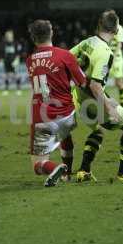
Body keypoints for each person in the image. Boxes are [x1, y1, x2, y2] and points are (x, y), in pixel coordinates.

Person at [70, 10, 123, 182]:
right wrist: (108, 108)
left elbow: (66, 59)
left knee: (99, 130)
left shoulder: (87, 42)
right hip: (93, 100)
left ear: (98, 25)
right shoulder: (105, 52)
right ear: (117, 30)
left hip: (78, 97)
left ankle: (84, 171)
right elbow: (95, 86)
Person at [26, 20, 87, 187]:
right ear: (51, 33)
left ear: (33, 38)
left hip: (43, 120)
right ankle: (67, 174)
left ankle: (54, 167)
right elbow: (83, 82)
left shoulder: (29, 60)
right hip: (67, 115)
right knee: (64, 134)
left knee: (37, 165)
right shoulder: (66, 55)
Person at [108, 12, 123, 106]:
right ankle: (105, 105)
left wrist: (113, 57)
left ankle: (122, 105)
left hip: (116, 59)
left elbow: (119, 44)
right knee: (100, 84)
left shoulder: (119, 28)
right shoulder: (104, 27)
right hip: (106, 58)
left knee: (119, 83)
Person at [0, 29, 22, 96]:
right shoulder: (3, 44)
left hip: (14, 62)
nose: (9, 37)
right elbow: (1, 53)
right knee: (6, 76)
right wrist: (1, 60)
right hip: (6, 62)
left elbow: (18, 53)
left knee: (16, 75)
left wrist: (17, 60)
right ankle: (6, 90)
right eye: (7, 36)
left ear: (12, 36)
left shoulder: (16, 43)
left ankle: (18, 89)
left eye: (10, 35)